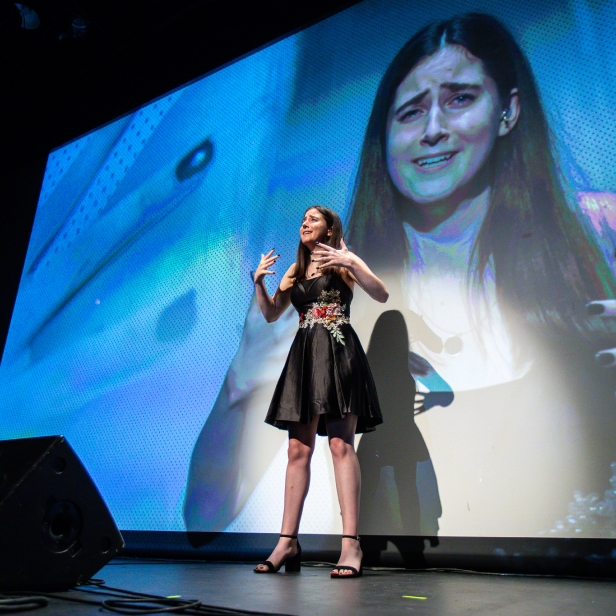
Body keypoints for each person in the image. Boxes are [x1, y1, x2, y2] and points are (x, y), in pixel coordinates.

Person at [252, 205, 388, 577]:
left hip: (338, 354)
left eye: (314, 219)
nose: (305, 223)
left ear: (330, 229)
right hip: (304, 359)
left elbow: (382, 294)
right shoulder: (296, 270)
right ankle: (287, 542)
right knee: (298, 449)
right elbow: (270, 314)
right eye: (303, 219)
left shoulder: (342, 262)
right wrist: (260, 284)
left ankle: (351, 546)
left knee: (341, 444)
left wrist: (353, 261)